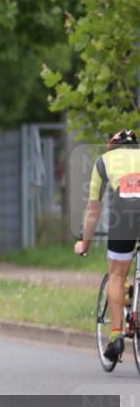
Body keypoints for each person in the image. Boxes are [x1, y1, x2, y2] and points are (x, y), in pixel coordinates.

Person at [75, 129, 140, 361]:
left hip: (125, 216)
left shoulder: (104, 161)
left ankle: (117, 337)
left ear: (112, 146)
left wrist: (85, 243)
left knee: (117, 276)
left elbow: (94, 209)